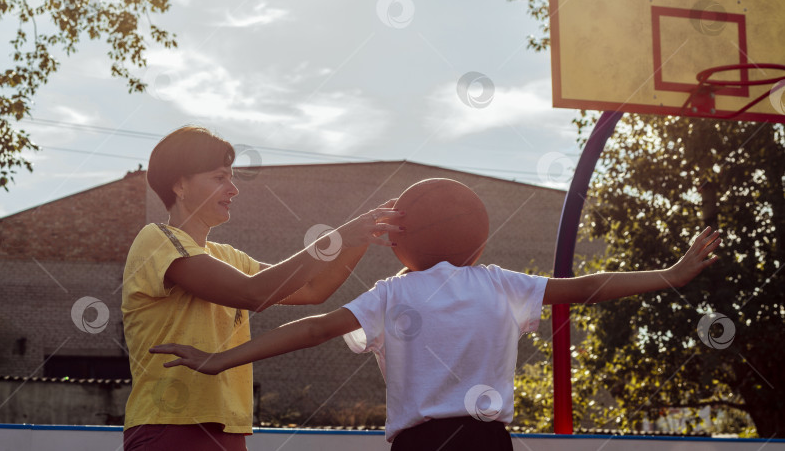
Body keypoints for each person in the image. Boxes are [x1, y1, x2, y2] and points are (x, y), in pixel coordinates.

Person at [150, 190, 721, 450]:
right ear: (478, 240)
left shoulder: (391, 293)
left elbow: (313, 328)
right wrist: (670, 274)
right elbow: (591, 287)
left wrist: (221, 358)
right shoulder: (502, 283)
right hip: (487, 444)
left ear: (399, 244)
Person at [122, 125, 403, 451]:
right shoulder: (156, 240)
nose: (233, 189)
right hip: (168, 427)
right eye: (219, 177)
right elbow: (254, 293)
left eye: (232, 177)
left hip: (229, 427)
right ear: (180, 185)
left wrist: (362, 236)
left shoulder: (228, 257)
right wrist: (339, 237)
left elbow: (314, 289)